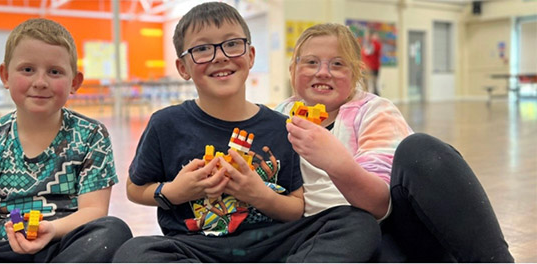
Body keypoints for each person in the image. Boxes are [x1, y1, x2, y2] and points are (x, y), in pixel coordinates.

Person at [112, 2, 380, 262]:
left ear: (250, 56)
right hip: (197, 248)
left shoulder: (282, 126)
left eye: (231, 44)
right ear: (183, 68)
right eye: (202, 49)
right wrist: (174, 192)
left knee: (354, 221)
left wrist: (259, 194)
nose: (220, 56)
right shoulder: (165, 124)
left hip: (274, 243)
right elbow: (135, 189)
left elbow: (296, 208)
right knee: (134, 252)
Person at [276, 23, 514, 262]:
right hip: (318, 236)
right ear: (292, 69)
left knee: (421, 151)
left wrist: (335, 162)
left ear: (357, 73)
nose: (323, 72)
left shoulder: (374, 112)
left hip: (381, 225)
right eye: (310, 62)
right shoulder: (277, 118)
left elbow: (378, 204)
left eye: (337, 64)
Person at [0, 18, 132, 262]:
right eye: (27, 70)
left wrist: (53, 230)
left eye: (54, 72)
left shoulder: (91, 135)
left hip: (65, 243)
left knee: (112, 230)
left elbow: (94, 210)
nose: (40, 82)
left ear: (74, 82)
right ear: (5, 75)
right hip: (3, 249)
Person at [362, 31, 381, 96]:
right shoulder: (366, 45)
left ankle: (374, 98)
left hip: (373, 67)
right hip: (366, 67)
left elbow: (368, 53)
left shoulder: (375, 44)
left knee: (373, 85)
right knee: (366, 85)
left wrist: (373, 40)